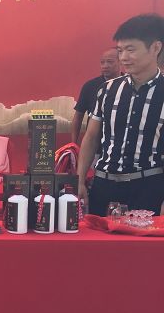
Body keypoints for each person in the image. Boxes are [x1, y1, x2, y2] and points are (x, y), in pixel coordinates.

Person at [78, 14, 164, 216]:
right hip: (104, 186)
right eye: (120, 50)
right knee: (98, 236)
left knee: (142, 238)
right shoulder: (107, 89)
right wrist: (79, 180)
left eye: (131, 49)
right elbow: (91, 137)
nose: (124, 57)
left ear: (155, 48)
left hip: (147, 187)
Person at [70, 48, 121, 145]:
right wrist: (73, 144)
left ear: (121, 62)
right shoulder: (90, 86)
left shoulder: (129, 85)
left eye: (110, 62)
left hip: (120, 144)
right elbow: (78, 116)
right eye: (102, 62)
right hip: (94, 145)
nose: (105, 66)